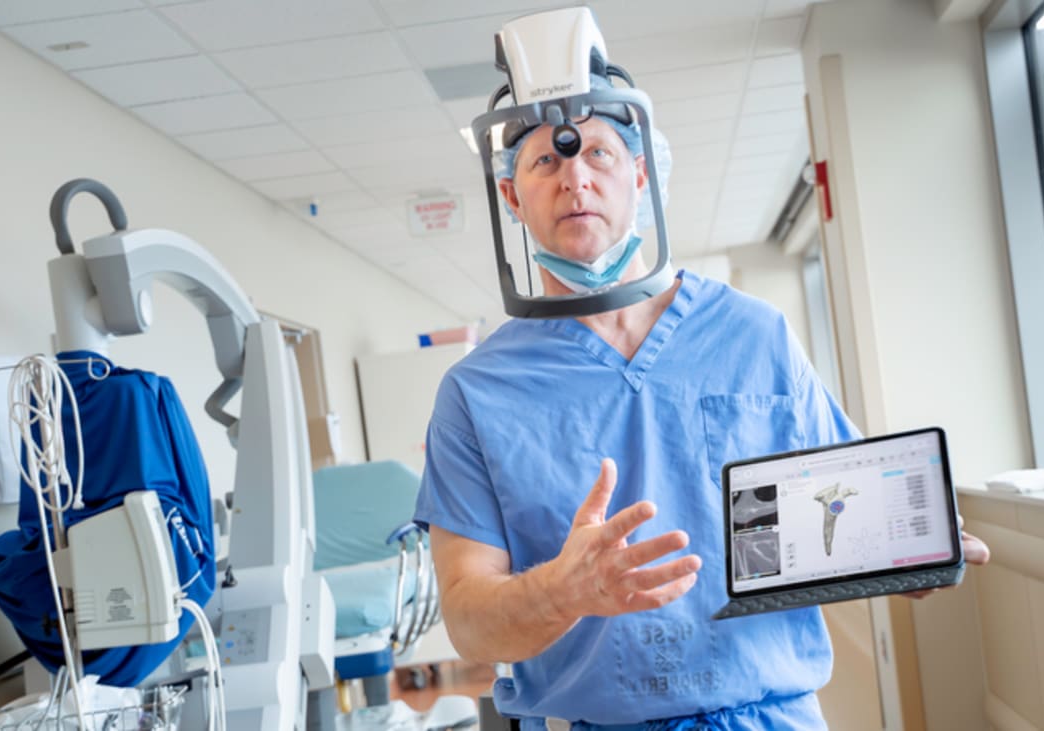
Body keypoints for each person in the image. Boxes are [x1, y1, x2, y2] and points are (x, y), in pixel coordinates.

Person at [414, 102, 990, 729]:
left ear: (640, 174)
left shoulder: (755, 335)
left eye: (597, 154)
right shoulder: (477, 392)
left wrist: (903, 554)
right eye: (546, 160)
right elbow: (469, 621)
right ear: (511, 196)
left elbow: (845, 517)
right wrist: (560, 593)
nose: (574, 179)